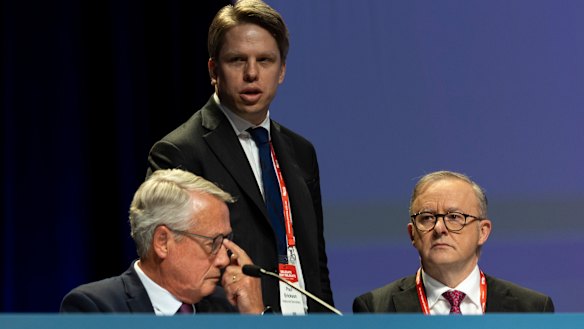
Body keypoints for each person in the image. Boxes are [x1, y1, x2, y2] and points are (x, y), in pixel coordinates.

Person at [146, 0, 333, 314]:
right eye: (237, 60)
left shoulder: (302, 152)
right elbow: (173, 270)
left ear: (282, 70)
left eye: (265, 60)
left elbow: (315, 262)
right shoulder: (180, 152)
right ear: (213, 70)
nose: (251, 73)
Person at [60, 168, 265, 314]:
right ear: (162, 242)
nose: (223, 260)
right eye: (213, 242)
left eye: (226, 241)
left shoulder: (228, 306)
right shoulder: (95, 308)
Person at [353, 170, 555, 314]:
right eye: (427, 218)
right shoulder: (375, 309)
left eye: (454, 217)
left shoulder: (532, 310)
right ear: (412, 233)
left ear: (483, 232)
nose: (440, 228)